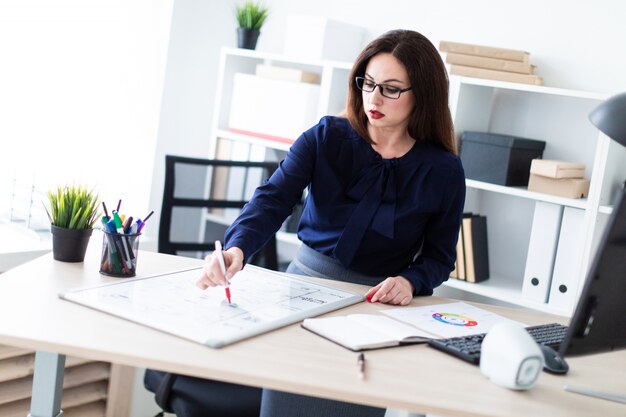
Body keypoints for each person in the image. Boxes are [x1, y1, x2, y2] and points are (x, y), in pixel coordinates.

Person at [197, 29, 465, 417]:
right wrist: (238, 246)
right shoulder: (326, 136)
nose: (373, 98)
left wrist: (410, 281)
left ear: (422, 94)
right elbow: (273, 199)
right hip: (302, 293)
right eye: (368, 83)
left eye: (391, 89)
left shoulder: (443, 170)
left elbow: (439, 258)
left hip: (375, 312)